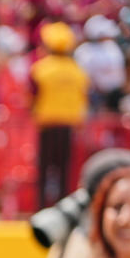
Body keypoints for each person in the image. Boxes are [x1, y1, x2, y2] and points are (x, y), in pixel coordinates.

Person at [30, 21, 88, 209]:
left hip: (46, 125)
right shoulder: (77, 71)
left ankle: (40, 208)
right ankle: (62, 210)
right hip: (67, 127)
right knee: (64, 171)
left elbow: (31, 96)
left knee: (44, 171)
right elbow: (83, 98)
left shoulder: (41, 69)